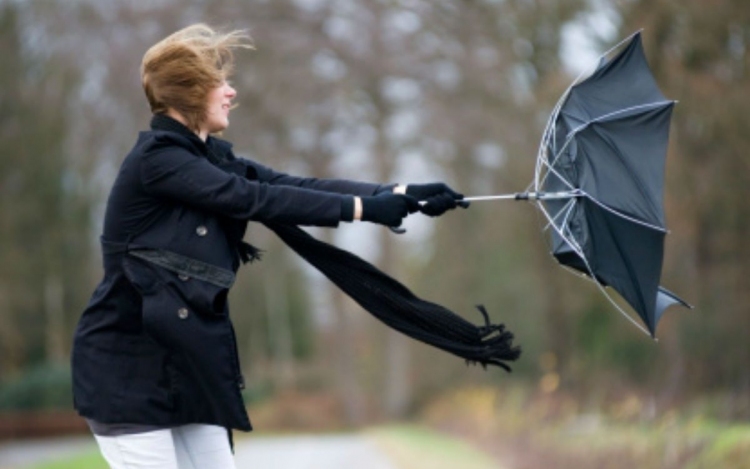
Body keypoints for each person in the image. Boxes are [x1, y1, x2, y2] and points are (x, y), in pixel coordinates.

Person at [70, 23, 465, 469]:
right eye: (219, 83)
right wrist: (364, 210)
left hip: (187, 368)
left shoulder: (209, 157)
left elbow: (290, 184)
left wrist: (399, 192)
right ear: (190, 92)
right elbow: (254, 199)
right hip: (129, 372)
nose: (231, 92)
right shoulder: (157, 161)